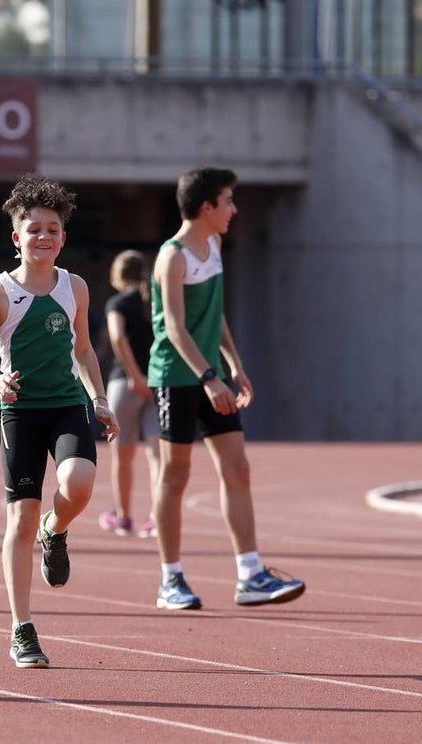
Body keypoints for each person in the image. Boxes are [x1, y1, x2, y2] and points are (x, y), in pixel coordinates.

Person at [0, 173, 119, 668]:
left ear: (63, 238)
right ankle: (21, 629)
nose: (44, 237)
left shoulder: (75, 286)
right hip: (20, 412)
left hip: (67, 403)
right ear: (17, 238)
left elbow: (86, 350)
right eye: (34, 230)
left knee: (80, 482)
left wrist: (99, 398)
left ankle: (59, 527)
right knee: (20, 518)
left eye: (52, 229)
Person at [149, 166, 304, 611]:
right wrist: (208, 377)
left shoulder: (214, 245)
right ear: (206, 207)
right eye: (229, 200)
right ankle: (170, 579)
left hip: (211, 373)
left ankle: (250, 573)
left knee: (237, 469)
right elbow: (176, 329)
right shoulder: (172, 256)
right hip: (177, 377)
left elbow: (213, 315)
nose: (234, 209)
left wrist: (234, 365)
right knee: (175, 476)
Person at [98, 250, 160, 538]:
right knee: (157, 455)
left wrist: (136, 376)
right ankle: (157, 518)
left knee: (122, 455)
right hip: (158, 382)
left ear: (118, 275)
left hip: (125, 382)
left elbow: (117, 337)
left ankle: (123, 517)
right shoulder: (155, 301)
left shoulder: (118, 303)